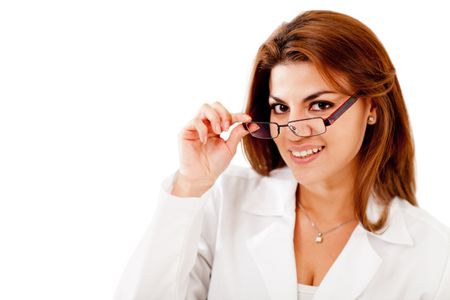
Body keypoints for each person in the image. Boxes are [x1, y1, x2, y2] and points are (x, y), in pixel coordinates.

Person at [114, 10, 450, 300]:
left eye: (320, 105)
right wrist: (190, 185)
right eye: (280, 107)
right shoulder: (225, 201)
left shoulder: (431, 252)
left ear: (373, 107)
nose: (294, 129)